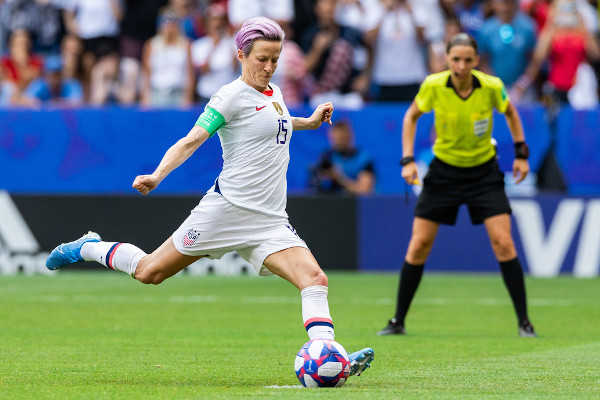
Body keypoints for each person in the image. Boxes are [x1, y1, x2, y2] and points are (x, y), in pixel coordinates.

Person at [46, 16, 374, 376]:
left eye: (275, 59)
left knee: (315, 280)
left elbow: (271, 120)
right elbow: (192, 140)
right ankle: (88, 246)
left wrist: (307, 122)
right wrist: (157, 175)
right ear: (241, 55)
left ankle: (328, 357)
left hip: (269, 220)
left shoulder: (274, 93)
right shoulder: (229, 97)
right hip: (226, 211)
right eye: (261, 58)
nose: (269, 67)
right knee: (150, 272)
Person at [377, 33, 537, 338]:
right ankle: (397, 321)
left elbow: (511, 113)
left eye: (467, 60)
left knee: (504, 243)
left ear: (476, 61)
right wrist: (407, 160)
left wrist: (521, 154)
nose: (461, 66)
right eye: (455, 60)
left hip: (484, 174)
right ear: (446, 60)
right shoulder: (433, 86)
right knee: (419, 245)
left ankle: (524, 322)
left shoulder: (492, 87)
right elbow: (410, 117)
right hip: (443, 174)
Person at [311, 120, 375, 194]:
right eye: (335, 139)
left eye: (341, 138)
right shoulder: (327, 156)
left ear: (349, 136)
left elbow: (364, 190)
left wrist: (339, 178)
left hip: (357, 203)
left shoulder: (363, 159)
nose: (338, 142)